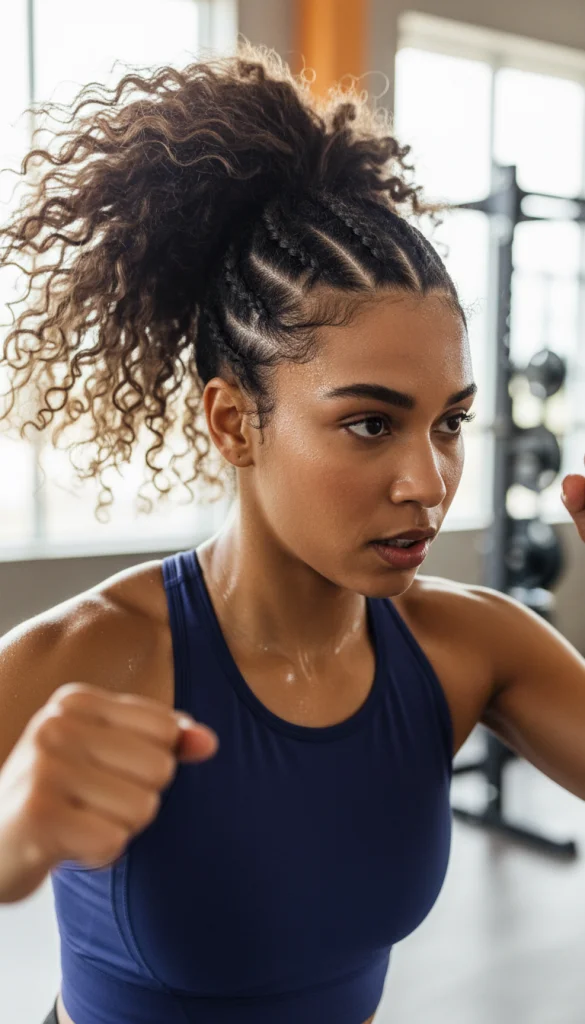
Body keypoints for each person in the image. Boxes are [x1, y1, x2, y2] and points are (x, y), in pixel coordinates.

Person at [1, 39, 585, 1024]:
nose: (429, 480)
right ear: (234, 420)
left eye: (448, 422)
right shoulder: (90, 653)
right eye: (369, 422)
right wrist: (8, 840)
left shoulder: (472, 649)